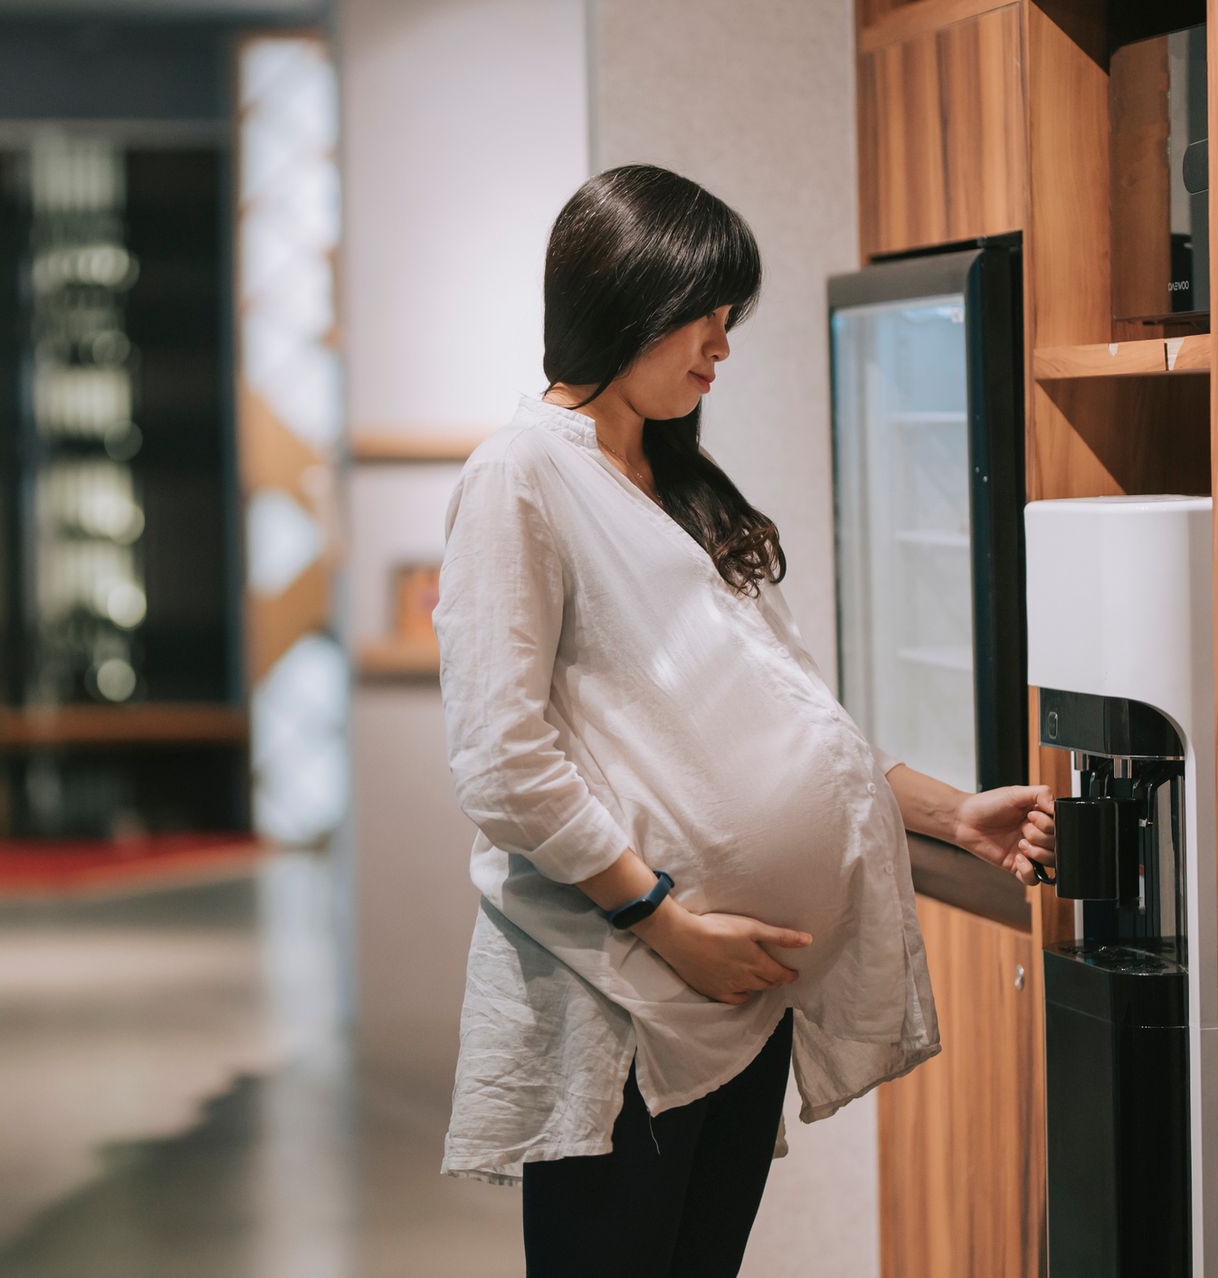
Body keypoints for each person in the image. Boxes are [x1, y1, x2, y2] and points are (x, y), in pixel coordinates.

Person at [429, 163, 1058, 1277]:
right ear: (624, 298)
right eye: (702, 318)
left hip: (742, 995)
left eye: (729, 320)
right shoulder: (519, 474)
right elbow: (504, 762)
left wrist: (954, 815)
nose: (720, 347)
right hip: (627, 989)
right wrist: (662, 923)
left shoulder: (672, 480)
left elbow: (786, 723)